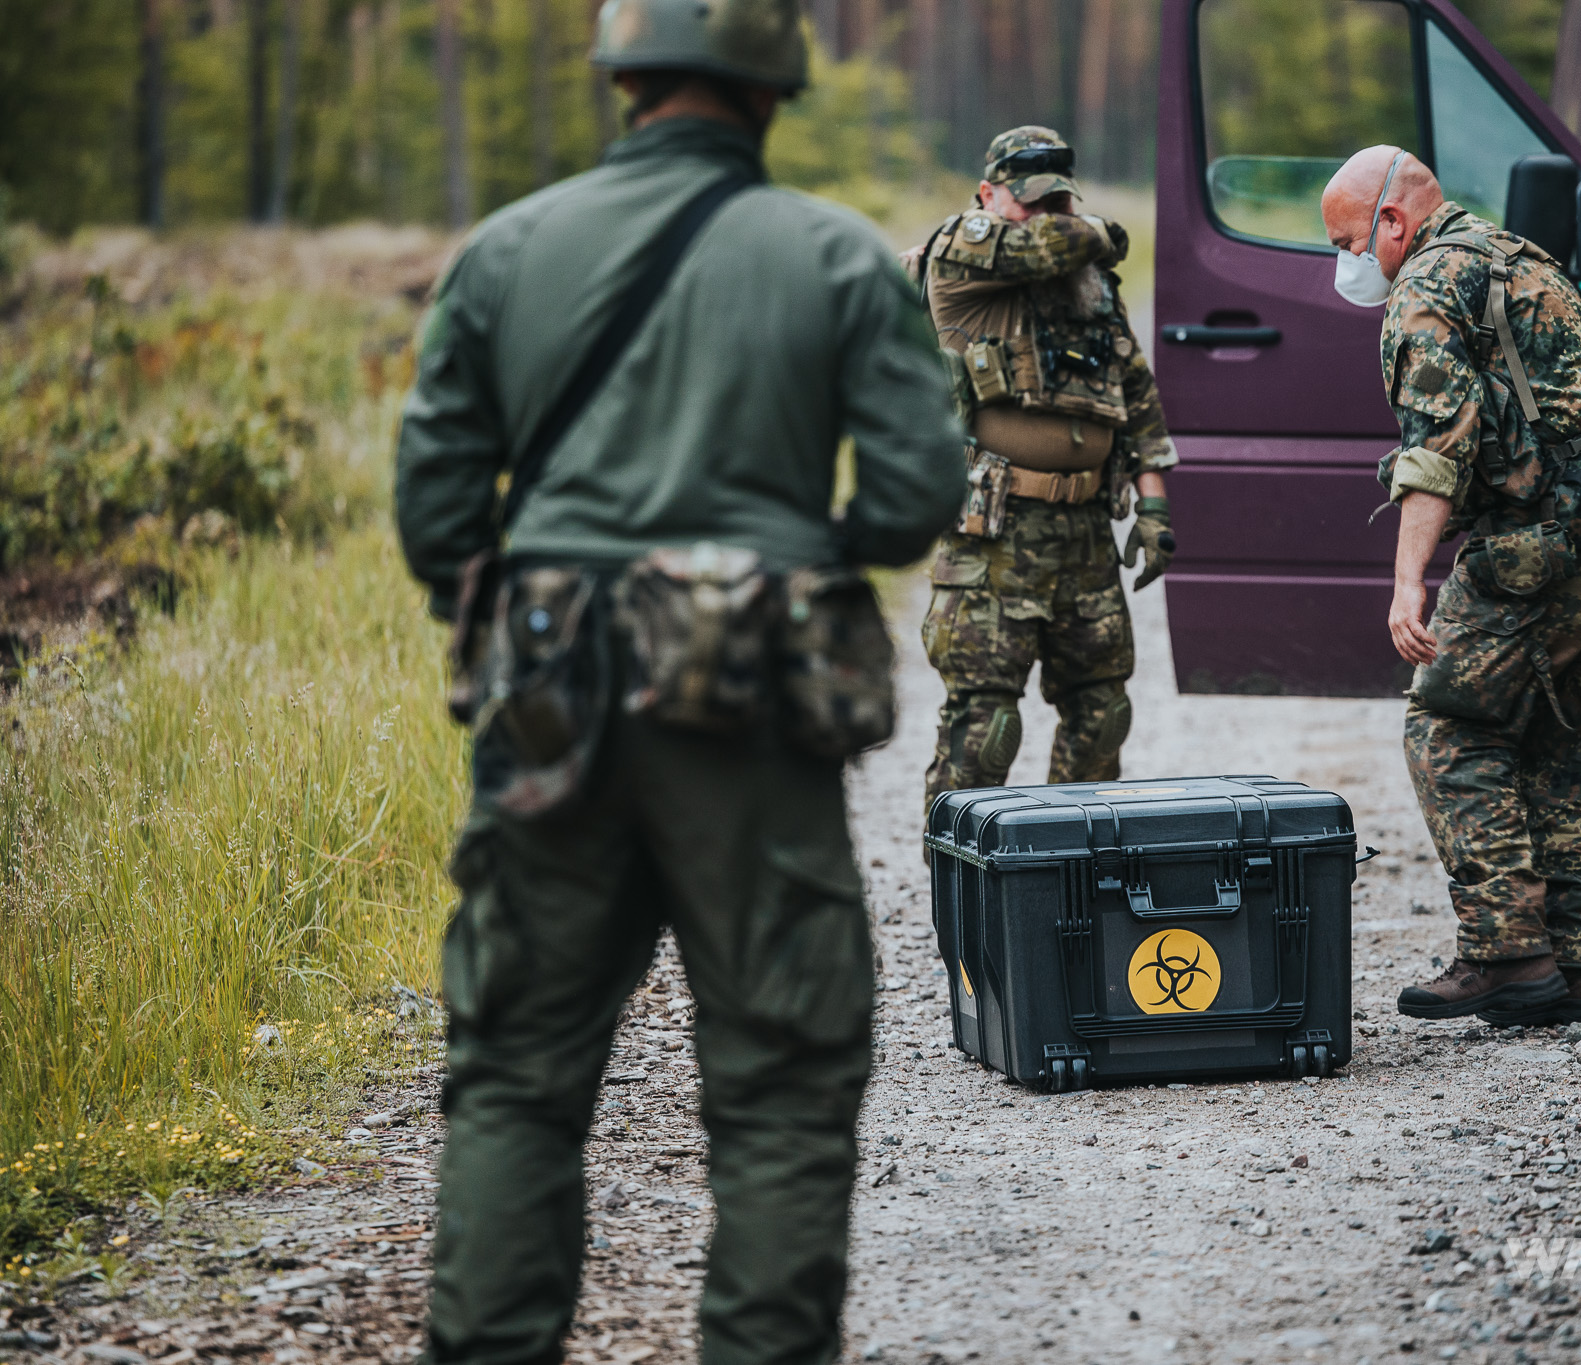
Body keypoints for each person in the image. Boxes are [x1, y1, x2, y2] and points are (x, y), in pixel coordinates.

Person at [391, 0, 965, 1361]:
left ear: (624, 76)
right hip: (751, 707)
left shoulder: (507, 247)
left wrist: (526, 601)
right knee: (779, 1080)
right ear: (773, 89)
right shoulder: (830, 252)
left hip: (548, 699)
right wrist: (796, 565)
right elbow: (917, 486)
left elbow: (433, 507)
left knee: (518, 1076)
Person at [1321, 146, 1581, 1027]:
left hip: (1543, 530)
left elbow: (1440, 448)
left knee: (1449, 722)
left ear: (1392, 223)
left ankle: (1507, 950)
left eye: (1348, 241)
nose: (1345, 264)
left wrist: (1407, 585)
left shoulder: (1424, 293)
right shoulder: (1510, 253)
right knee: (1569, 728)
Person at [907, 126, 1179, 807]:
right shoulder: (960, 257)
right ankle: (960, 892)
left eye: (1058, 200)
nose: (1045, 215)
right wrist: (1099, 229)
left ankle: (1066, 879)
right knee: (986, 726)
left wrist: (1152, 507)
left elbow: (1137, 395)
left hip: (1085, 530)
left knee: (1102, 715)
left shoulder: (1091, 288)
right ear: (987, 195)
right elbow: (1050, 242)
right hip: (997, 529)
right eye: (1027, 200)